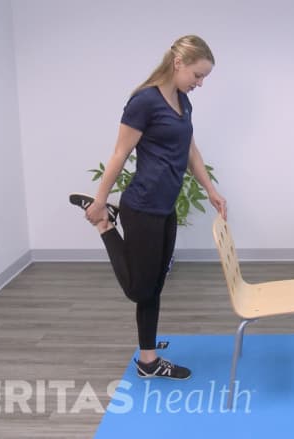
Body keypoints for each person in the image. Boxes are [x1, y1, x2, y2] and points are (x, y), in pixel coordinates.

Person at [69, 35, 226, 380]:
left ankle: (148, 358)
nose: (200, 83)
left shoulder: (183, 102)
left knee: (155, 285)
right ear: (179, 63)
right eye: (198, 75)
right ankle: (106, 225)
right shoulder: (143, 101)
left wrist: (211, 189)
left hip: (165, 207)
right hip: (141, 207)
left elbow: (190, 151)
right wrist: (100, 201)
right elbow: (119, 154)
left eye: (204, 78)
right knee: (139, 289)